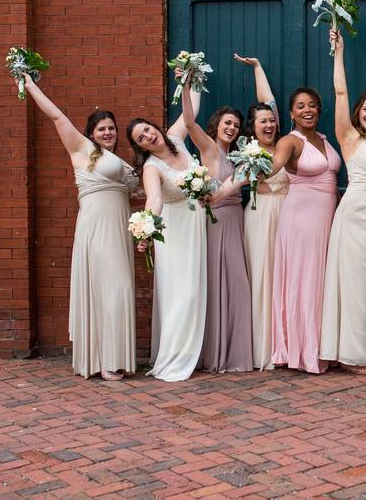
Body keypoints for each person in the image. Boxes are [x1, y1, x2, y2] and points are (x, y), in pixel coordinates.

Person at [24, 74, 137, 381]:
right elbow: (57, 115)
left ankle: (113, 358)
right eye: (102, 128)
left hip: (119, 229)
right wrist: (30, 85)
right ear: (91, 133)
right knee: (111, 288)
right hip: (96, 228)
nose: (109, 132)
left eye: (112, 128)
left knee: (119, 288)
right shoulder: (81, 149)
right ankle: (103, 360)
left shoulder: (119, 160)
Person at [319, 29, 366, 374]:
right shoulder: (348, 137)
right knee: (354, 285)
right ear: (357, 112)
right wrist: (339, 53)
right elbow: (339, 91)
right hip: (355, 218)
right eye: (365, 109)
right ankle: (351, 354)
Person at [127, 77, 206, 382]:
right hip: (173, 231)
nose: (148, 136)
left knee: (195, 290)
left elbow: (192, 110)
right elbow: (154, 200)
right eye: (141, 138)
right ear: (139, 147)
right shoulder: (151, 168)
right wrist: (146, 230)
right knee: (180, 294)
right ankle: (174, 357)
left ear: (155, 127)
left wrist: (191, 77)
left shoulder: (176, 136)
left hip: (195, 225)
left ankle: (191, 352)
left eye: (147, 129)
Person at [180, 77, 253, 374]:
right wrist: (185, 86)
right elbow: (188, 122)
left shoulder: (240, 155)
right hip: (215, 220)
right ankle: (213, 352)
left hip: (237, 218)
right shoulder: (209, 148)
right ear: (217, 124)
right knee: (214, 282)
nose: (232, 128)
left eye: (236, 124)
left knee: (238, 284)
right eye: (227, 123)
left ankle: (236, 352)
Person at [269, 85, 341, 373]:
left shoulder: (324, 139)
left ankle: (324, 344)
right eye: (300, 106)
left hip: (326, 220)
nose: (307, 110)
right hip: (300, 220)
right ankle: (303, 351)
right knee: (305, 282)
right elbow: (273, 166)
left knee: (322, 282)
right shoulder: (290, 141)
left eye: (312, 105)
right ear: (291, 113)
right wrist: (255, 167)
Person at [233, 54, 287, 370]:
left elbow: (270, 101)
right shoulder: (247, 153)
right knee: (262, 275)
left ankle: (284, 345)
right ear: (252, 128)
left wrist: (258, 68)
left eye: (271, 120)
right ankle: (261, 348)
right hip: (260, 214)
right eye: (262, 121)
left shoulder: (282, 146)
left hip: (288, 214)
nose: (269, 124)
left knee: (283, 278)